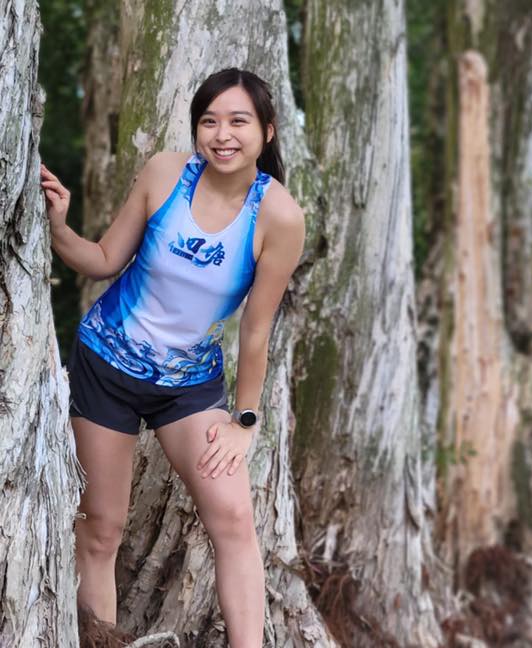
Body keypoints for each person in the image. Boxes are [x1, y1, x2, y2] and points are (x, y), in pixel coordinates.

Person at [40, 68, 305, 648]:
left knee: (233, 517)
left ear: (267, 130)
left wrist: (244, 422)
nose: (222, 135)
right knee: (101, 529)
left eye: (238, 121)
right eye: (209, 121)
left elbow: (256, 330)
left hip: (189, 386)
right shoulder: (165, 173)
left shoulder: (279, 217)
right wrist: (58, 228)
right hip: (106, 365)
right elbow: (104, 259)